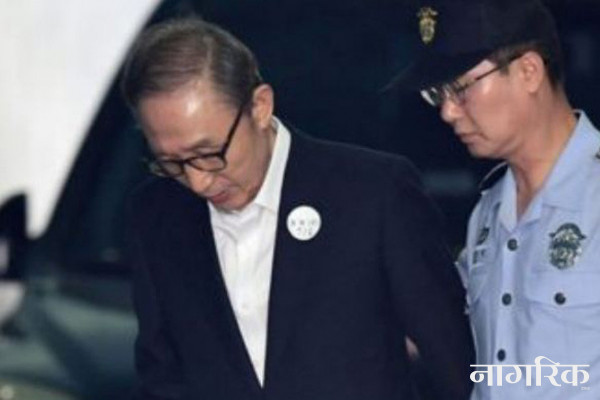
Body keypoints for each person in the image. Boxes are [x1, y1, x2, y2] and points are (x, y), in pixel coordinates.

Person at [122, 17, 473, 400]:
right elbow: (162, 379)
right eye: (170, 163)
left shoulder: (372, 194)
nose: (197, 182)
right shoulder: (157, 216)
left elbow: (452, 361)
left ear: (260, 106)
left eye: (208, 153)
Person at [393, 0, 600, 398]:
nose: (448, 112)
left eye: (461, 88)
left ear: (529, 71)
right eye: (438, 94)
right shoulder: (488, 213)